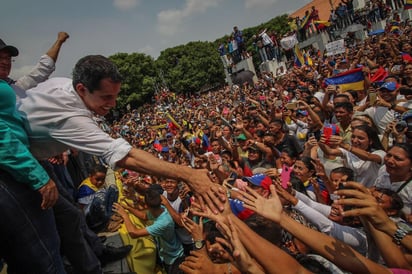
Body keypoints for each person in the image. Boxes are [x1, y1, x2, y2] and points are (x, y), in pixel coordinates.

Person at [18, 55, 223, 214]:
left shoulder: (63, 84)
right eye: (106, 97)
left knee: (69, 217)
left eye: (116, 96)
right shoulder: (69, 116)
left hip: (34, 155)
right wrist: (189, 174)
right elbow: (125, 156)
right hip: (15, 166)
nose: (113, 104)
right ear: (81, 89)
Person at [0, 79, 65, 273]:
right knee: (43, 256)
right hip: (11, 173)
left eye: (8, 57)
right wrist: (36, 175)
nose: (5, 61)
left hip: (15, 168)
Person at [113, 185, 185, 274]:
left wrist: (125, 215)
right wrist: (128, 208)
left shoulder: (163, 222)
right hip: (166, 254)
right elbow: (144, 216)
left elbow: (134, 233)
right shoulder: (160, 209)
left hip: (174, 258)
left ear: (147, 205)